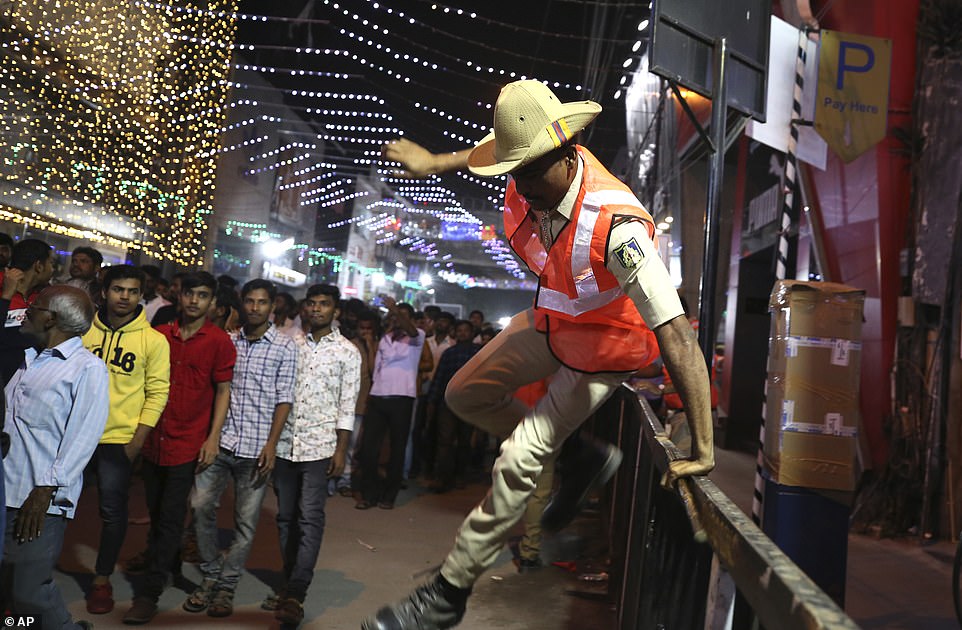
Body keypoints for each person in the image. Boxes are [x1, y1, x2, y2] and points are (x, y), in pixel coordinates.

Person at [365, 80, 713, 629]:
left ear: (566, 151)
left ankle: (446, 595)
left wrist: (704, 444)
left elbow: (676, 334)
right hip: (555, 320)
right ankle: (579, 458)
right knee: (463, 393)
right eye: (512, 173)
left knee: (521, 456)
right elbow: (485, 152)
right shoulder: (525, 172)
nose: (520, 187)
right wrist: (435, 161)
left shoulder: (618, 226)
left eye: (528, 172)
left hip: (603, 344)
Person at [123, 271, 236, 625]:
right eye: (189, 293)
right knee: (156, 512)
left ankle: (149, 593)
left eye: (202, 296)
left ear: (212, 302)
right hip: (154, 438)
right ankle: (168, 564)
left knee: (171, 518)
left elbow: (222, 391)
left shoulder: (218, 341)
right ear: (179, 295)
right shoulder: (158, 335)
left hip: (188, 442)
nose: (194, 301)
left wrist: (213, 437)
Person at [183, 279, 297, 618]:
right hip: (222, 441)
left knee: (245, 524)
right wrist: (211, 436)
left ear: (272, 306)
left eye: (262, 302)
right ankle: (211, 574)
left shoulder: (285, 346)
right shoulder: (229, 340)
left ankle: (226, 587)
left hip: (257, 448)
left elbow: (284, 399)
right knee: (200, 505)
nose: (255, 308)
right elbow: (218, 389)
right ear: (241, 304)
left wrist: (272, 444)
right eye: (249, 301)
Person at [0, 285, 109, 630]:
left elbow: (85, 434)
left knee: (29, 592)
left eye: (35, 306)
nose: (27, 311)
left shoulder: (86, 369)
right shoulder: (27, 358)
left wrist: (47, 488)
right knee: (8, 591)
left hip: (36, 497)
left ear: (52, 318)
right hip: (5, 488)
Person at [263, 284, 360, 625]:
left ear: (336, 311)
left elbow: (347, 403)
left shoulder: (348, 352)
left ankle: (297, 591)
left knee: (310, 517)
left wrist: (342, 448)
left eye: (324, 304)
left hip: (320, 445)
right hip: (287, 441)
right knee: (285, 516)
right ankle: (289, 582)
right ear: (304, 308)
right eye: (312, 304)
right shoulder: (290, 344)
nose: (317, 309)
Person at [81, 265, 170, 615]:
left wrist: (137, 440)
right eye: (118, 289)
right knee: (52, 502)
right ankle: (33, 573)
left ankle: (101, 580)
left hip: (118, 439)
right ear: (105, 291)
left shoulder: (152, 340)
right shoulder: (84, 330)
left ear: (141, 296)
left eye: (132, 292)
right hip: (75, 435)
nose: (125, 297)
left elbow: (158, 392)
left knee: (112, 512)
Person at [355, 297, 425, 510]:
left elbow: (411, 330)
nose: (395, 319)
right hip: (378, 396)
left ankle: (389, 495)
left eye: (400, 316)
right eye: (393, 316)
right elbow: (377, 368)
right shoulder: (385, 338)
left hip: (401, 398)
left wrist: (394, 307)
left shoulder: (417, 337)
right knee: (369, 449)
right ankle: (370, 494)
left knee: (397, 449)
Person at [427, 320, 481, 493]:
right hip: (448, 403)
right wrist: (433, 401)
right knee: (445, 441)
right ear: (455, 333)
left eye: (466, 330)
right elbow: (439, 378)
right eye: (460, 330)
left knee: (464, 442)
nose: (463, 333)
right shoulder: (449, 353)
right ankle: (442, 476)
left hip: (470, 403)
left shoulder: (480, 353)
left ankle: (459, 475)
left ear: (472, 333)